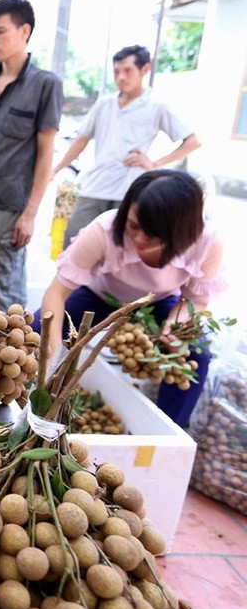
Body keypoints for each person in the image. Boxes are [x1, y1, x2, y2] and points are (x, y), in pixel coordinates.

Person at [35, 169, 225, 427]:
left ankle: (166, 431)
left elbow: (194, 301)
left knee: (194, 356)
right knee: (36, 330)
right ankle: (26, 404)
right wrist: (52, 349)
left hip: (157, 302)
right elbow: (57, 293)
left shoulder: (208, 243)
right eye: (133, 226)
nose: (138, 238)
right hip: (98, 295)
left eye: (152, 234)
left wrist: (176, 325)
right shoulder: (104, 229)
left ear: (180, 232)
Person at [53, 45, 201, 249]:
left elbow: (193, 141)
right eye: (116, 71)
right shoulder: (104, 104)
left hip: (129, 191)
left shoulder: (156, 106)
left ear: (145, 70)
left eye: (128, 70)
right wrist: (56, 168)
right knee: (73, 243)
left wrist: (155, 164)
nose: (121, 77)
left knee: (120, 251)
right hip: (96, 185)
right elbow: (81, 140)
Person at [0, 0, 63, 308]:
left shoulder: (45, 85)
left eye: (1, 32)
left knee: (6, 286)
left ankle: (15, 353)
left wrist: (31, 212)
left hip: (13, 203)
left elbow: (46, 154)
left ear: (25, 31)